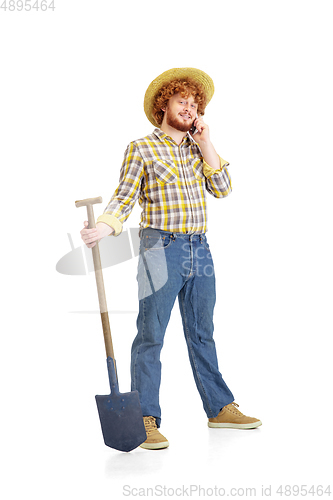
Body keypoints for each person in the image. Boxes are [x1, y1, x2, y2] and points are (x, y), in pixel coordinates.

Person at [80, 67, 261, 450]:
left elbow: (224, 188)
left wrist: (207, 141)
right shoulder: (141, 148)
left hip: (201, 249)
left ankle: (220, 408)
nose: (190, 109)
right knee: (151, 336)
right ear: (165, 105)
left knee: (202, 332)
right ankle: (145, 418)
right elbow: (125, 197)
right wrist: (106, 228)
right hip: (159, 248)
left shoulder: (199, 150)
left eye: (195, 105)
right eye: (183, 101)